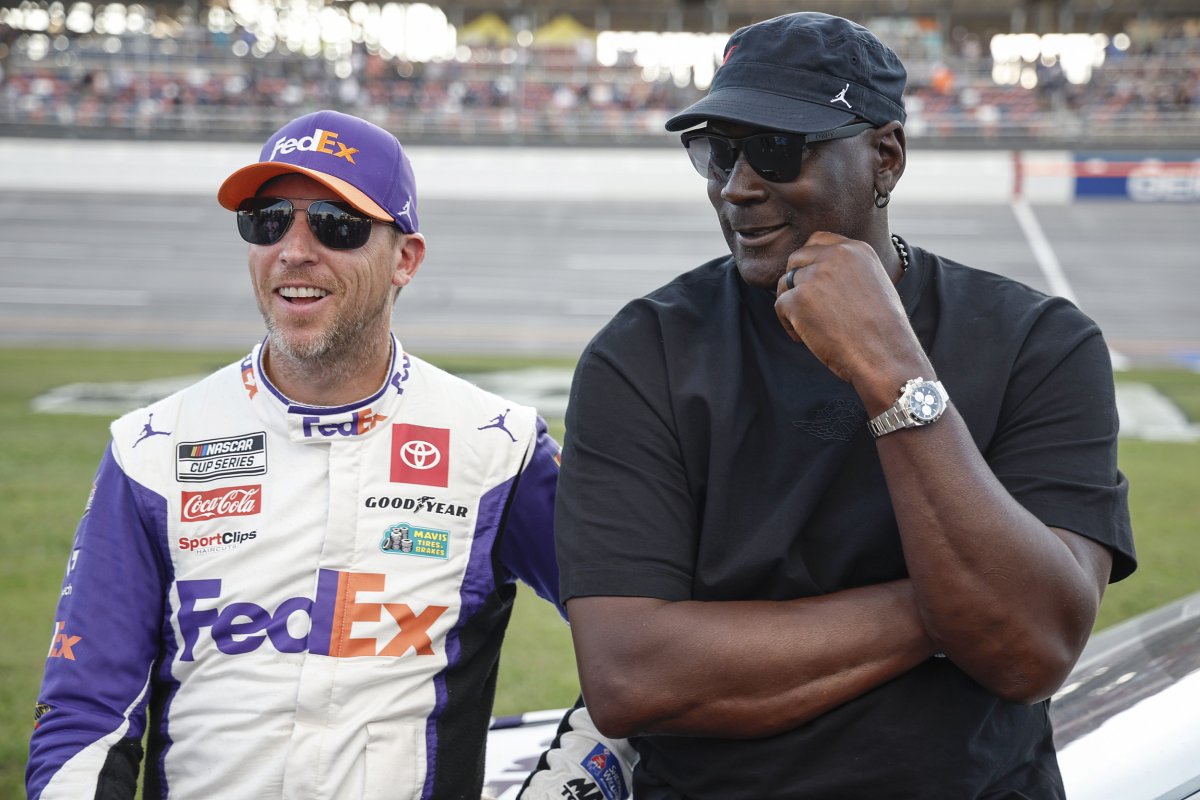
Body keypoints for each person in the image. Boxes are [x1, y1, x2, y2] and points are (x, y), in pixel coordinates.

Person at [555, 12, 1137, 799]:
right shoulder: (643, 353)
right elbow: (630, 676)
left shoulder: (1041, 343)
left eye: (775, 148)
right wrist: (953, 608)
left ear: (885, 157)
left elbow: (1031, 650)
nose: (737, 186)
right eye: (717, 150)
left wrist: (890, 369)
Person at [26, 109, 634, 800]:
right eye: (268, 220)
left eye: (336, 224)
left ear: (405, 258)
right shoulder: (151, 448)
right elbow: (87, 712)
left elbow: (644, 648)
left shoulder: (498, 446)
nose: (293, 248)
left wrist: (574, 781)